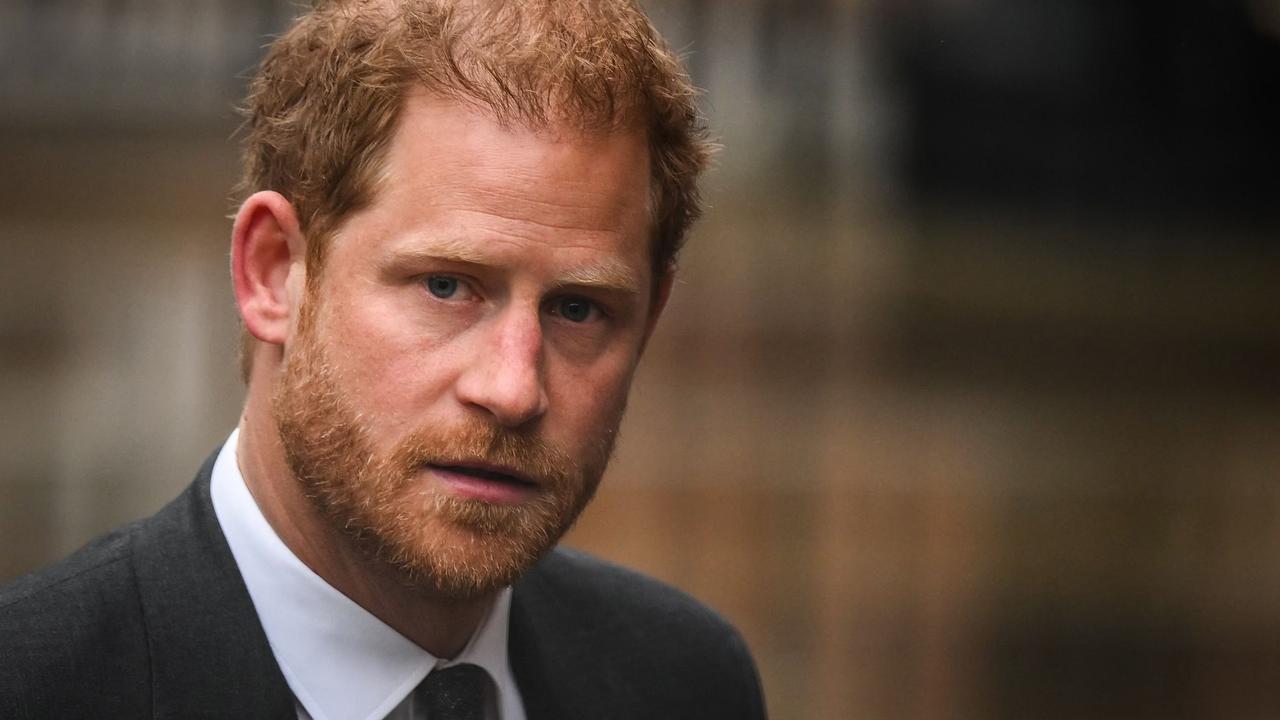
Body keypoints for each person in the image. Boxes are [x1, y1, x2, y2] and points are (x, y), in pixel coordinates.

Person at [0, 1, 767, 718]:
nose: (512, 387)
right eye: (446, 286)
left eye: (578, 309)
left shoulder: (683, 680)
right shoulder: (36, 684)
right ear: (273, 272)